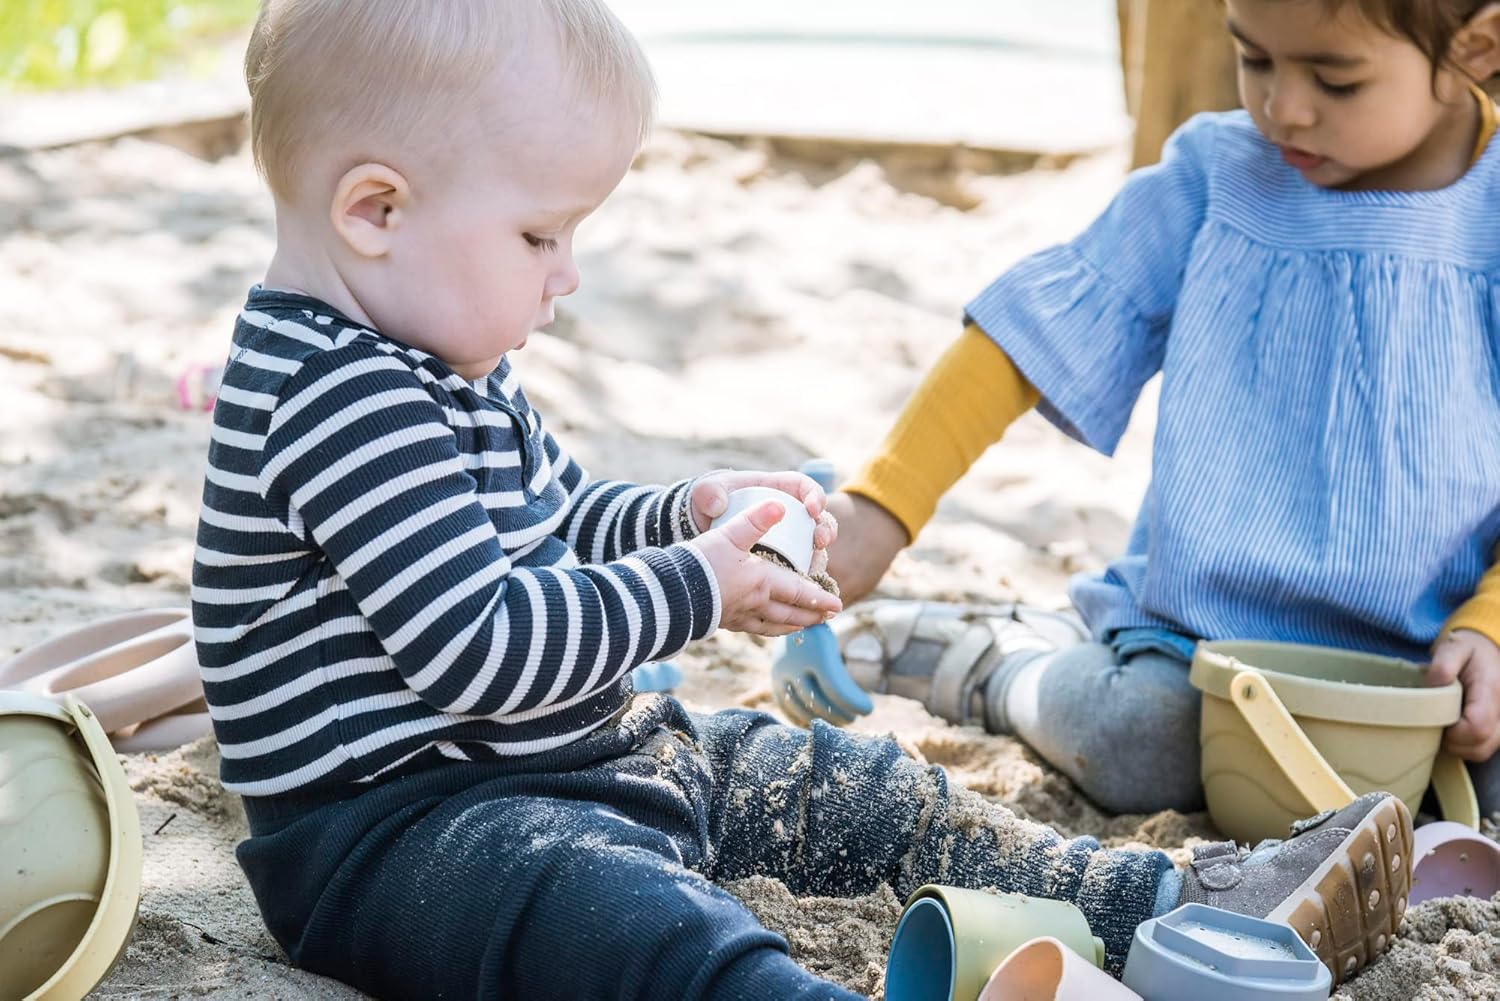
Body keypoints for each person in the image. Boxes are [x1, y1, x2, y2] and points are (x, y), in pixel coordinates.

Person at [192, 2, 1414, 996]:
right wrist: (702, 586)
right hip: (413, 838)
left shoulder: (433, 361)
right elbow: (483, 647)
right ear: (375, 211)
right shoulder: (339, 401)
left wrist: (684, 515)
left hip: (571, 760)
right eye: (537, 235)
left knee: (855, 785)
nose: (566, 277)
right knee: (627, 921)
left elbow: (558, 521)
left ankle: (1167, 897)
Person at [823, 0, 1500, 817]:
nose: (1284, 106)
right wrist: (881, 505)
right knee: (1137, 742)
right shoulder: (1217, 178)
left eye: (1335, 79)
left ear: (1478, 44)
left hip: (1430, 665)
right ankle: (999, 662)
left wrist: (1489, 626)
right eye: (1254, 60)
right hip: (1206, 649)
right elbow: (1029, 340)